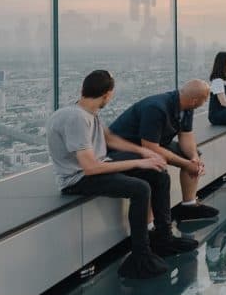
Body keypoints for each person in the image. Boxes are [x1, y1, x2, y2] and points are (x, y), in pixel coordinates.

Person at [48, 70, 198, 279]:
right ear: (107, 94)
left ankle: (164, 238)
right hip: (77, 179)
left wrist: (144, 152)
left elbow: (110, 139)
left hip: (96, 168)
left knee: (157, 173)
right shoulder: (77, 118)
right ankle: (140, 255)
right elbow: (90, 168)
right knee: (140, 188)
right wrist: (139, 161)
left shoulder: (86, 111)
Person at [107, 80, 221, 222]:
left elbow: (186, 136)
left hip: (153, 144)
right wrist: (186, 164)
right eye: (205, 99)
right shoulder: (156, 108)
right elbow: (150, 148)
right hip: (125, 148)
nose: (205, 102)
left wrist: (193, 158)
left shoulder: (187, 106)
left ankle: (189, 206)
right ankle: (150, 224)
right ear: (194, 100)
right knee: (155, 169)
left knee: (193, 155)